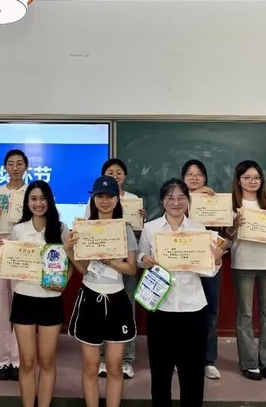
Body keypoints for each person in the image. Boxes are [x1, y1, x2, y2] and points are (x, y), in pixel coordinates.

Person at [138, 178, 224, 407]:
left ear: (188, 201)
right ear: (162, 201)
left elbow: (207, 272)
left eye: (181, 198)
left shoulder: (199, 230)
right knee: (160, 372)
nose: (175, 202)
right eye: (170, 197)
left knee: (192, 373)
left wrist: (215, 261)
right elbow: (140, 258)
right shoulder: (150, 228)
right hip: (160, 307)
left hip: (192, 308)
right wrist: (144, 259)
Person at [0, 180, 69, 407]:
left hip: (51, 301)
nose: (38, 203)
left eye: (43, 198)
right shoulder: (18, 229)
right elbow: (11, 263)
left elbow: (72, 262)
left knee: (47, 360)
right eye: (33, 199)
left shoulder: (61, 229)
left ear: (50, 201)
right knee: (26, 361)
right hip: (24, 299)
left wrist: (63, 283)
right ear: (27, 203)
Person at [66, 175, 138, 407]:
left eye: (110, 196)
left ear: (117, 199)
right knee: (90, 366)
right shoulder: (84, 229)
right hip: (90, 297)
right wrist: (69, 250)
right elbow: (83, 269)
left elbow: (131, 268)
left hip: (117, 299)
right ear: (93, 199)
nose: (105, 201)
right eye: (100, 196)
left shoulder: (124, 229)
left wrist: (109, 261)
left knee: (115, 366)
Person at [84, 158, 145, 380]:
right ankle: (102, 357)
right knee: (100, 312)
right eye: (111, 172)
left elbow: (132, 259)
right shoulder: (92, 204)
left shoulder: (134, 201)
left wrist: (143, 221)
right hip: (96, 272)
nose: (105, 200)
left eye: (119, 172)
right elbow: (87, 233)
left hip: (124, 259)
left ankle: (126, 359)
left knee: (125, 309)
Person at [230, 160, 266, 382]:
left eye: (257, 177)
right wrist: (234, 227)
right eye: (247, 177)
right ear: (238, 180)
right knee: (245, 314)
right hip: (243, 264)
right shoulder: (232, 204)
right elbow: (225, 237)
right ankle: (249, 362)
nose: (252, 181)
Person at [181, 160, 232, 380]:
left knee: (210, 311)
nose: (194, 178)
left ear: (205, 178)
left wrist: (222, 248)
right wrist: (194, 196)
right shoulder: (176, 200)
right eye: (190, 174)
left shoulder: (216, 203)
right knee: (183, 312)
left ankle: (208, 360)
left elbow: (226, 236)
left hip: (210, 263)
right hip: (183, 263)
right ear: (183, 178)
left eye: (199, 174)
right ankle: (182, 357)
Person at [0, 149, 29, 381]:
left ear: (26, 167)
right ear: (5, 167)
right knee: (0, 305)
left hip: (23, 249)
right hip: (0, 246)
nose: (15, 167)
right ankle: (2, 360)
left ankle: (20, 359)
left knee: (21, 305)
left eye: (19, 163)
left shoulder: (32, 192)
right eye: (11, 163)